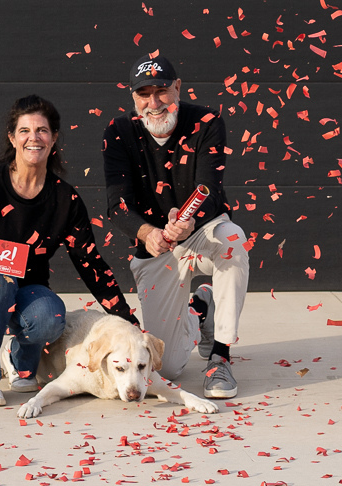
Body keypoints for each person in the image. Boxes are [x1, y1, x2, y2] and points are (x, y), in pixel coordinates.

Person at [0, 94, 140, 407]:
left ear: (54, 137)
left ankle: (18, 359)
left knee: (51, 315)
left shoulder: (64, 200)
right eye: (25, 131)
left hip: (20, 293)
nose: (34, 138)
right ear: (12, 138)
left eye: (42, 130)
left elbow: (90, 264)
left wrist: (129, 324)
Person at [101, 56, 249, 399]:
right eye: (144, 94)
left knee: (233, 242)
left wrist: (190, 221)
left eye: (162, 91)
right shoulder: (118, 132)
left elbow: (209, 188)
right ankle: (201, 309)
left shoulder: (208, 122)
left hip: (201, 232)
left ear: (178, 88)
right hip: (155, 246)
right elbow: (116, 205)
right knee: (166, 366)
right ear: (133, 97)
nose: (154, 103)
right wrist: (148, 233)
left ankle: (221, 357)